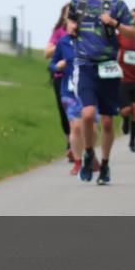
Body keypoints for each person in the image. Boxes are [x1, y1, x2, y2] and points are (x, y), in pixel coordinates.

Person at [68, 0, 135, 185]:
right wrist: (71, 27)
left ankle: (105, 165)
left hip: (108, 66)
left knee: (107, 123)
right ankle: (89, 153)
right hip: (84, 64)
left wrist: (115, 24)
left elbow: (133, 33)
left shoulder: (117, 3)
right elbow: (69, 22)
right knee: (88, 114)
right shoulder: (77, 0)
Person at [51, 17, 97, 176]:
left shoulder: (91, 40)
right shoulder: (62, 42)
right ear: (66, 25)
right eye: (72, 22)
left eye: (77, 22)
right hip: (69, 91)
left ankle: (90, 154)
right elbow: (52, 64)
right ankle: (78, 162)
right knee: (76, 127)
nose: (74, 25)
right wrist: (57, 66)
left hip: (88, 89)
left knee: (91, 127)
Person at [44, 4, 75, 161]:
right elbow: (47, 53)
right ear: (63, 16)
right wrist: (63, 45)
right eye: (68, 13)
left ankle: (78, 145)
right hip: (61, 78)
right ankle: (70, 144)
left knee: (80, 111)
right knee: (64, 113)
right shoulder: (58, 33)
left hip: (79, 77)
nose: (71, 16)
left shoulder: (83, 32)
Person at [118, 7, 135, 152]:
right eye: (132, 16)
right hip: (124, 78)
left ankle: (132, 142)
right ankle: (124, 119)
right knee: (126, 110)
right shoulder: (121, 35)